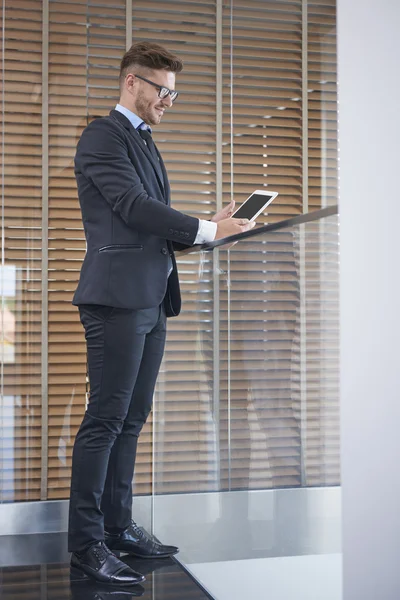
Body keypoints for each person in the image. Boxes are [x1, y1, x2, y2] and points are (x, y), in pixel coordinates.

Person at [68, 40, 255, 587]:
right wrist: (203, 228)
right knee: (104, 420)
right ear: (132, 82)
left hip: (150, 298)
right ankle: (86, 544)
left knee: (131, 418)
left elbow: (150, 224)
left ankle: (119, 525)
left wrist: (209, 229)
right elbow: (131, 206)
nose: (169, 100)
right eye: (162, 90)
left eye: (174, 91)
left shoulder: (143, 141)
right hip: (116, 299)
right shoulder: (103, 137)